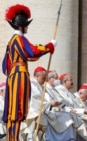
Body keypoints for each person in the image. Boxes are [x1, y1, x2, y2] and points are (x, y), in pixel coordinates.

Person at [2, 4, 56, 141]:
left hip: (14, 76)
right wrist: (49, 46)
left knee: (16, 111)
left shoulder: (11, 42)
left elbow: (4, 66)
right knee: (16, 112)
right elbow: (31, 52)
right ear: (21, 25)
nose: (27, 27)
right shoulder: (19, 39)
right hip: (19, 76)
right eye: (26, 25)